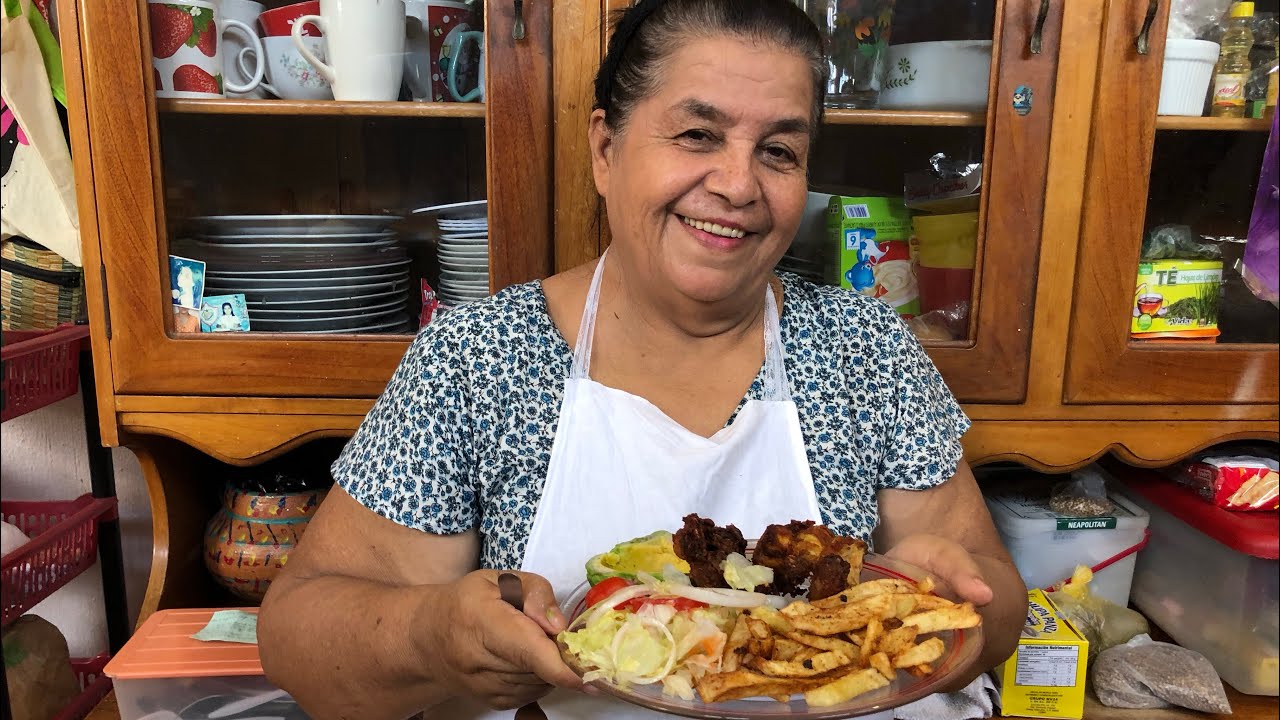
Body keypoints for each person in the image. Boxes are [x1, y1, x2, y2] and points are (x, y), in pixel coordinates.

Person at [257, 1, 1025, 718]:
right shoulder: (478, 358)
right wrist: (430, 638)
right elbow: (296, 633)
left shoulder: (868, 351)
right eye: (697, 135)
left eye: (779, 151)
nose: (738, 185)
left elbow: (999, 604)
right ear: (605, 149)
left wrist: (951, 599)